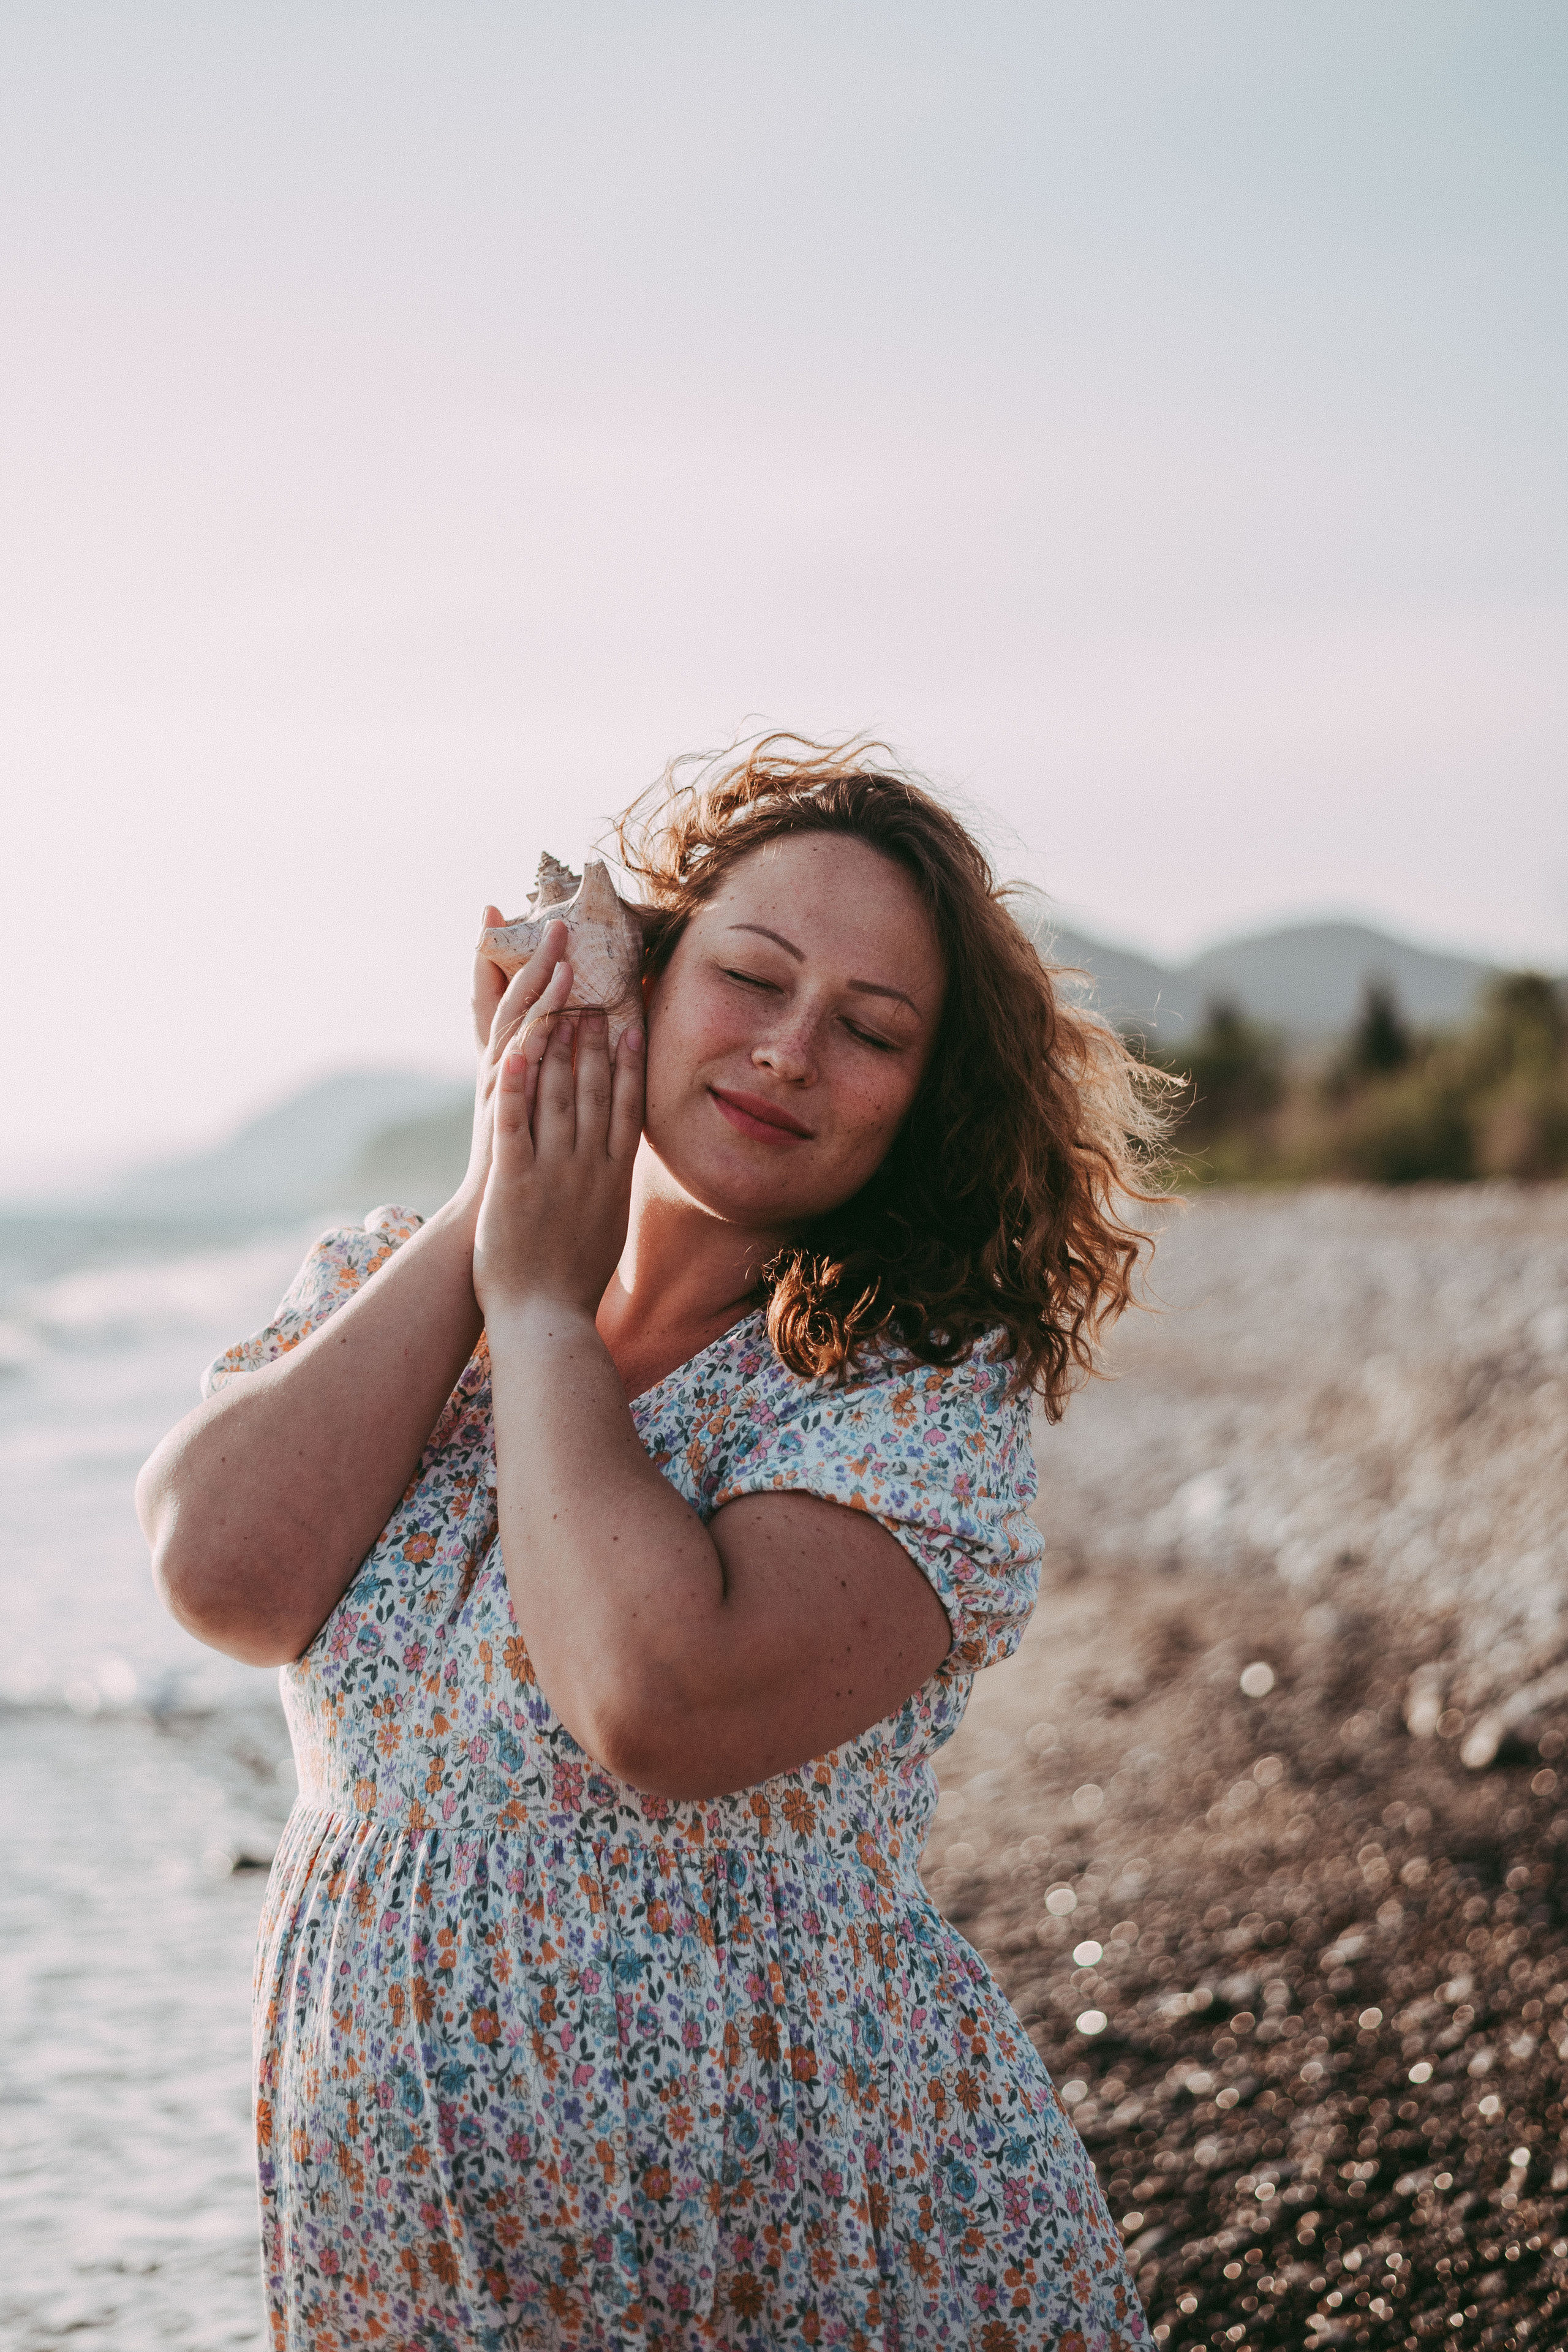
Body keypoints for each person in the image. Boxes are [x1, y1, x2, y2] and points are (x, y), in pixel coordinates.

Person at [138, 738, 1162, 2351]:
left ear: (924, 1099)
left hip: (787, 2237)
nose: (789, 1053)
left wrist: (543, 1305)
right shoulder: (404, 1285)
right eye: (751, 978)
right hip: (399, 2252)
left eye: (869, 1030)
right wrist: (501, 1190)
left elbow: (657, 1707)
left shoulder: (904, 1390)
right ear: (650, 984)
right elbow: (223, 1575)